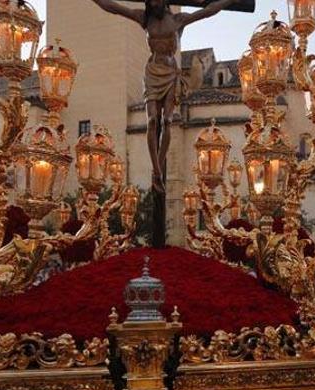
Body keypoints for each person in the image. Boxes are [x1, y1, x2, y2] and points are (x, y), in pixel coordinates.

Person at [91, 0, 239, 247]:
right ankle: (157, 171)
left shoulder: (178, 21)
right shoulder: (144, 19)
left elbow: (208, 10)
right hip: (152, 72)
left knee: (168, 121)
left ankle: (159, 168)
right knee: (151, 120)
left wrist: (229, 1)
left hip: (171, 71)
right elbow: (114, 7)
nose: (155, 2)